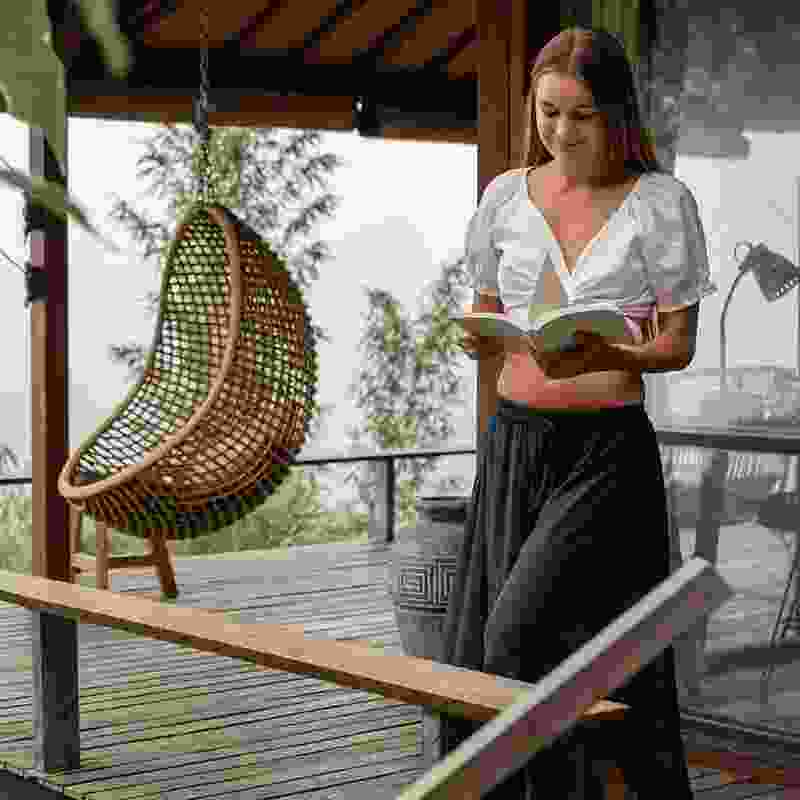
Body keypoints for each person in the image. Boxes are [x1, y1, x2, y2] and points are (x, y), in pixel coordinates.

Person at [441, 25, 718, 799]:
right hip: (512, 450)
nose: (561, 132)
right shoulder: (505, 196)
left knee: (518, 635)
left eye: (581, 116)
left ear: (617, 116)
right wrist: (481, 338)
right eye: (548, 112)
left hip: (604, 458)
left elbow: (677, 344)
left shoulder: (659, 204)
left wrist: (613, 356)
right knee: (524, 649)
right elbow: (488, 310)